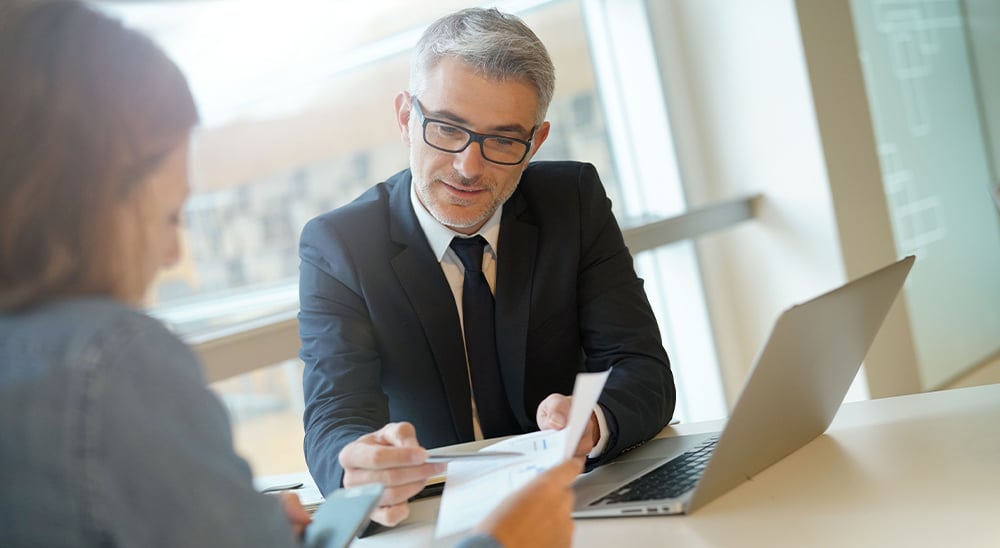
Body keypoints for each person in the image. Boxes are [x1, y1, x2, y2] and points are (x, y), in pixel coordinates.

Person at [0, 2, 580, 547]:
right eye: (169, 215)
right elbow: (334, 412)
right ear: (90, 197)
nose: (173, 253)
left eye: (501, 139)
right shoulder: (117, 365)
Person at [299, 7, 677, 527]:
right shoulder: (340, 245)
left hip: (575, 505)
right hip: (432, 521)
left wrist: (593, 422)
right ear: (407, 118)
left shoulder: (573, 202)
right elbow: (333, 415)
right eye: (448, 129)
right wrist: (357, 470)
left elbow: (642, 368)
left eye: (502, 140)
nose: (468, 167)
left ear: (535, 143)